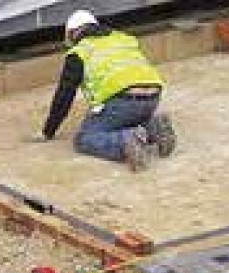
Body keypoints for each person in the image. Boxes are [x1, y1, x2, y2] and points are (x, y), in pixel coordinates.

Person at [40, 10, 177, 171]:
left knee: (85, 138)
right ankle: (152, 127)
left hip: (121, 100)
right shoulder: (122, 39)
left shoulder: (79, 52)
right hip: (153, 97)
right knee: (126, 120)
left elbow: (64, 95)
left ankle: (124, 141)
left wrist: (48, 131)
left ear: (72, 34)